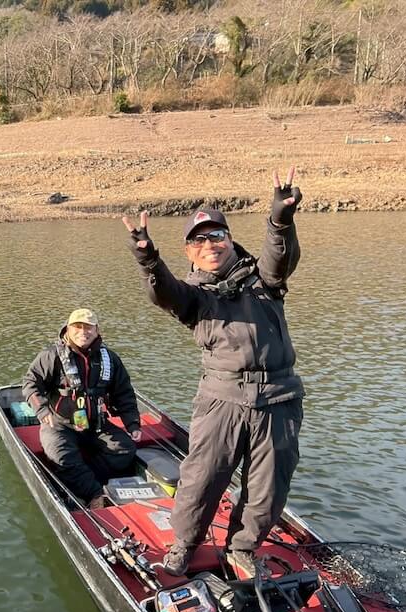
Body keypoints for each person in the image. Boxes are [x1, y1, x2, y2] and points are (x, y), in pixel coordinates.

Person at [122, 168, 305, 578]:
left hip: (279, 399)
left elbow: (281, 256)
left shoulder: (264, 279)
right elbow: (163, 291)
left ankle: (242, 548)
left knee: (268, 489)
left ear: (229, 240)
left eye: (217, 236)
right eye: (200, 240)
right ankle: (184, 546)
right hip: (222, 399)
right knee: (201, 480)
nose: (210, 245)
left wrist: (280, 219)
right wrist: (148, 258)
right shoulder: (194, 297)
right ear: (190, 252)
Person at [22, 309, 142, 509]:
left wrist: (132, 423)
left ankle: (80, 482)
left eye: (88, 327)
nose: (83, 332)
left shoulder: (110, 359)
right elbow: (30, 383)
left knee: (125, 450)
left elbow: (124, 393)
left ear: (97, 330)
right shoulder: (51, 355)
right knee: (61, 456)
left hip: (96, 424)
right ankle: (95, 494)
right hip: (60, 424)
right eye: (78, 327)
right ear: (68, 329)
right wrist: (42, 411)